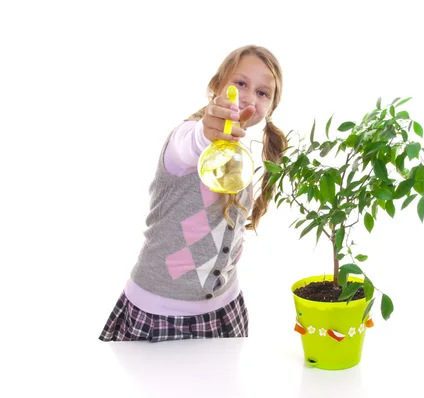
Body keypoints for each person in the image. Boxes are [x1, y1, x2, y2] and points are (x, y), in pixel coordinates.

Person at [99, 45, 288, 342]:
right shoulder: (185, 140)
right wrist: (205, 132)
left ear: (271, 105)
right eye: (240, 84)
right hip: (160, 315)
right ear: (216, 87)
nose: (250, 97)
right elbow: (194, 142)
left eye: (263, 93)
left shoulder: (242, 152)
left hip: (226, 309)